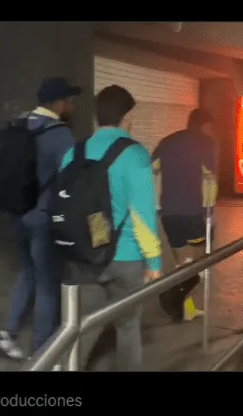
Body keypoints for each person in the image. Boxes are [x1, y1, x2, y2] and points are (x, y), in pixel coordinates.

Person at [57, 85, 162, 371]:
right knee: (128, 328)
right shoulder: (135, 154)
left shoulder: (74, 152)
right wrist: (153, 262)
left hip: (81, 253)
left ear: (97, 116)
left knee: (80, 330)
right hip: (124, 256)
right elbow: (142, 216)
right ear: (127, 116)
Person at [0, 77, 80, 360]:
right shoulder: (59, 134)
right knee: (48, 285)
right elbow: (73, 180)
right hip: (42, 219)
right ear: (59, 102)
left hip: (16, 214)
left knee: (26, 272)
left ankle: (8, 334)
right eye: (69, 100)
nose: (72, 105)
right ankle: (42, 353)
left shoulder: (19, 125)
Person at [152, 108, 218, 320]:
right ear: (204, 125)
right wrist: (209, 212)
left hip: (169, 213)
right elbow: (210, 178)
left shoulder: (167, 141)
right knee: (196, 265)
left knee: (182, 263)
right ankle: (169, 295)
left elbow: (152, 169)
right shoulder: (206, 143)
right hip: (191, 213)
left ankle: (184, 310)